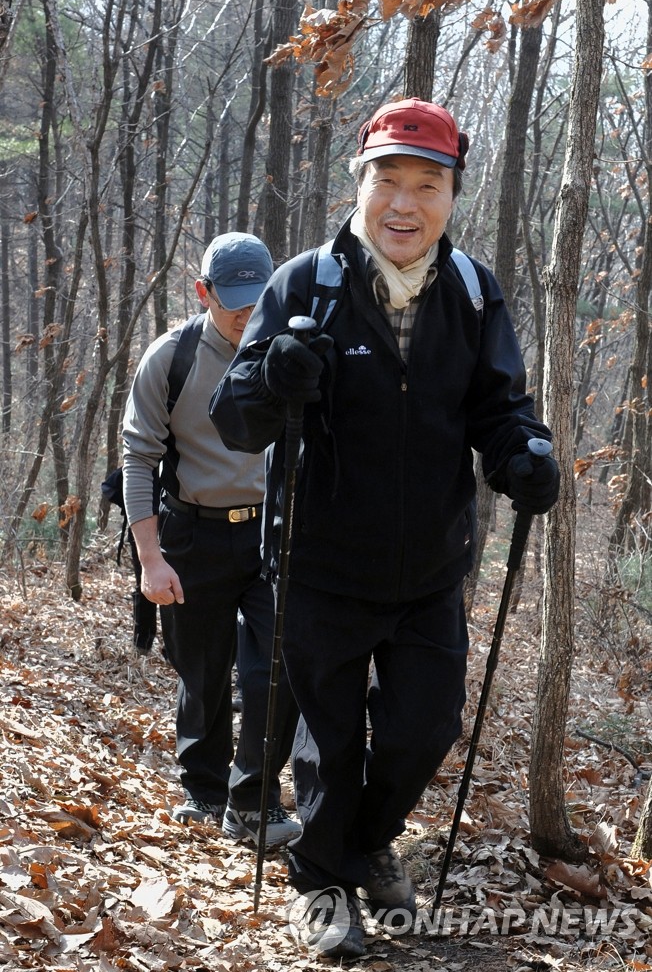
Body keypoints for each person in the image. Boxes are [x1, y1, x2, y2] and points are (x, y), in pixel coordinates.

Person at [209, 99, 560, 957]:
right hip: (321, 563)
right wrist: (277, 379)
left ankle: (365, 843)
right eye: (388, 181)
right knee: (327, 744)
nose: (405, 203)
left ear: (452, 196)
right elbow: (234, 421)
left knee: (424, 727)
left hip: (433, 567)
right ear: (359, 185)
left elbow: (498, 406)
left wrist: (524, 451)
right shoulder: (305, 283)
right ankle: (323, 885)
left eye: (426, 185)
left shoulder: (474, 293)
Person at [122, 231, 300, 846]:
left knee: (273, 671)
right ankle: (203, 788)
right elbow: (138, 458)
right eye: (234, 303)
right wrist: (151, 559)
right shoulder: (170, 359)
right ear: (204, 294)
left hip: (273, 535)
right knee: (201, 672)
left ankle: (256, 799)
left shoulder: (291, 357)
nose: (248, 315)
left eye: (259, 300)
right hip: (192, 535)